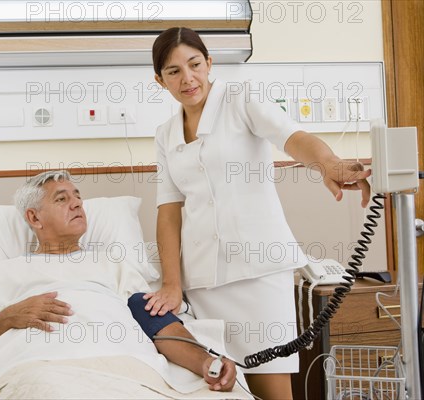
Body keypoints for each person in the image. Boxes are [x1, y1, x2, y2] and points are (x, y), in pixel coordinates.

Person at [143, 27, 372, 399]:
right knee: (218, 389)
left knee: (272, 390)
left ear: (209, 63)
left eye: (195, 64)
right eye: (173, 71)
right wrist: (172, 283)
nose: (188, 78)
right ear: (160, 80)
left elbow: (292, 136)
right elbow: (168, 209)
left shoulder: (240, 99)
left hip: (259, 272)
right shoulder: (165, 133)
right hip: (202, 282)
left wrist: (328, 163)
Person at [0, 170, 237, 393]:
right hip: (40, 368)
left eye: (77, 197)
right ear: (34, 217)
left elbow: (157, 322)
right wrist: (9, 318)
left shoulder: (113, 264)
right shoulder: (3, 274)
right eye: (62, 199)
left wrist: (205, 363)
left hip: (125, 366)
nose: (77, 203)